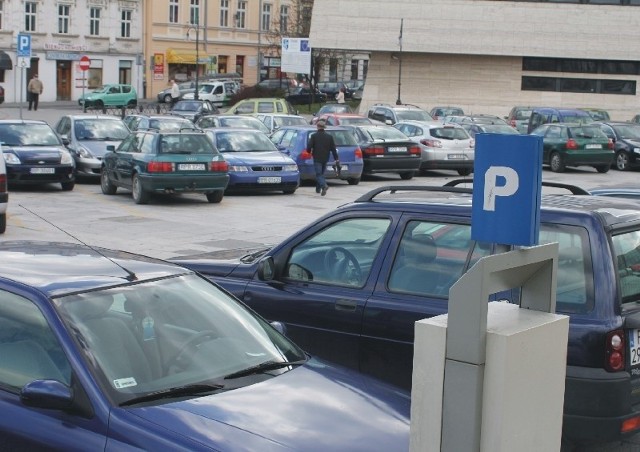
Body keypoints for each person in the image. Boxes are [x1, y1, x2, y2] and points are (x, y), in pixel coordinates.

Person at [307, 119, 339, 196]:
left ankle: (324, 186)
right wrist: (336, 159)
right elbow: (333, 149)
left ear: (317, 127)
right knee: (321, 174)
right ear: (324, 127)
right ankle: (318, 189)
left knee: (318, 174)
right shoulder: (329, 137)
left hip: (317, 157)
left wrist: (309, 152)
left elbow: (309, 146)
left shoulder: (314, 136)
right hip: (325, 158)